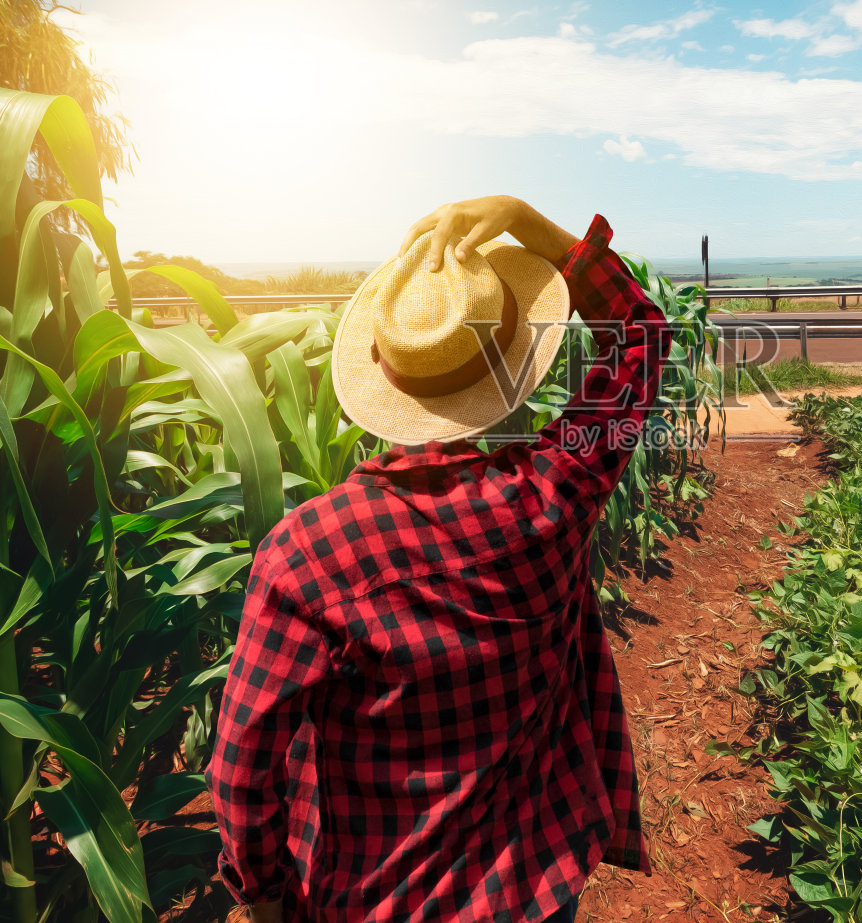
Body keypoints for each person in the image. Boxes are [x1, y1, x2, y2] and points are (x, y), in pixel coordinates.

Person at [207, 196, 665, 922]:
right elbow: (640, 333)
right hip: (534, 885)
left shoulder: (306, 556)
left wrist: (262, 893)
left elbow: (240, 769)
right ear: (511, 371)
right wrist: (525, 221)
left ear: (383, 376)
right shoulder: (555, 494)